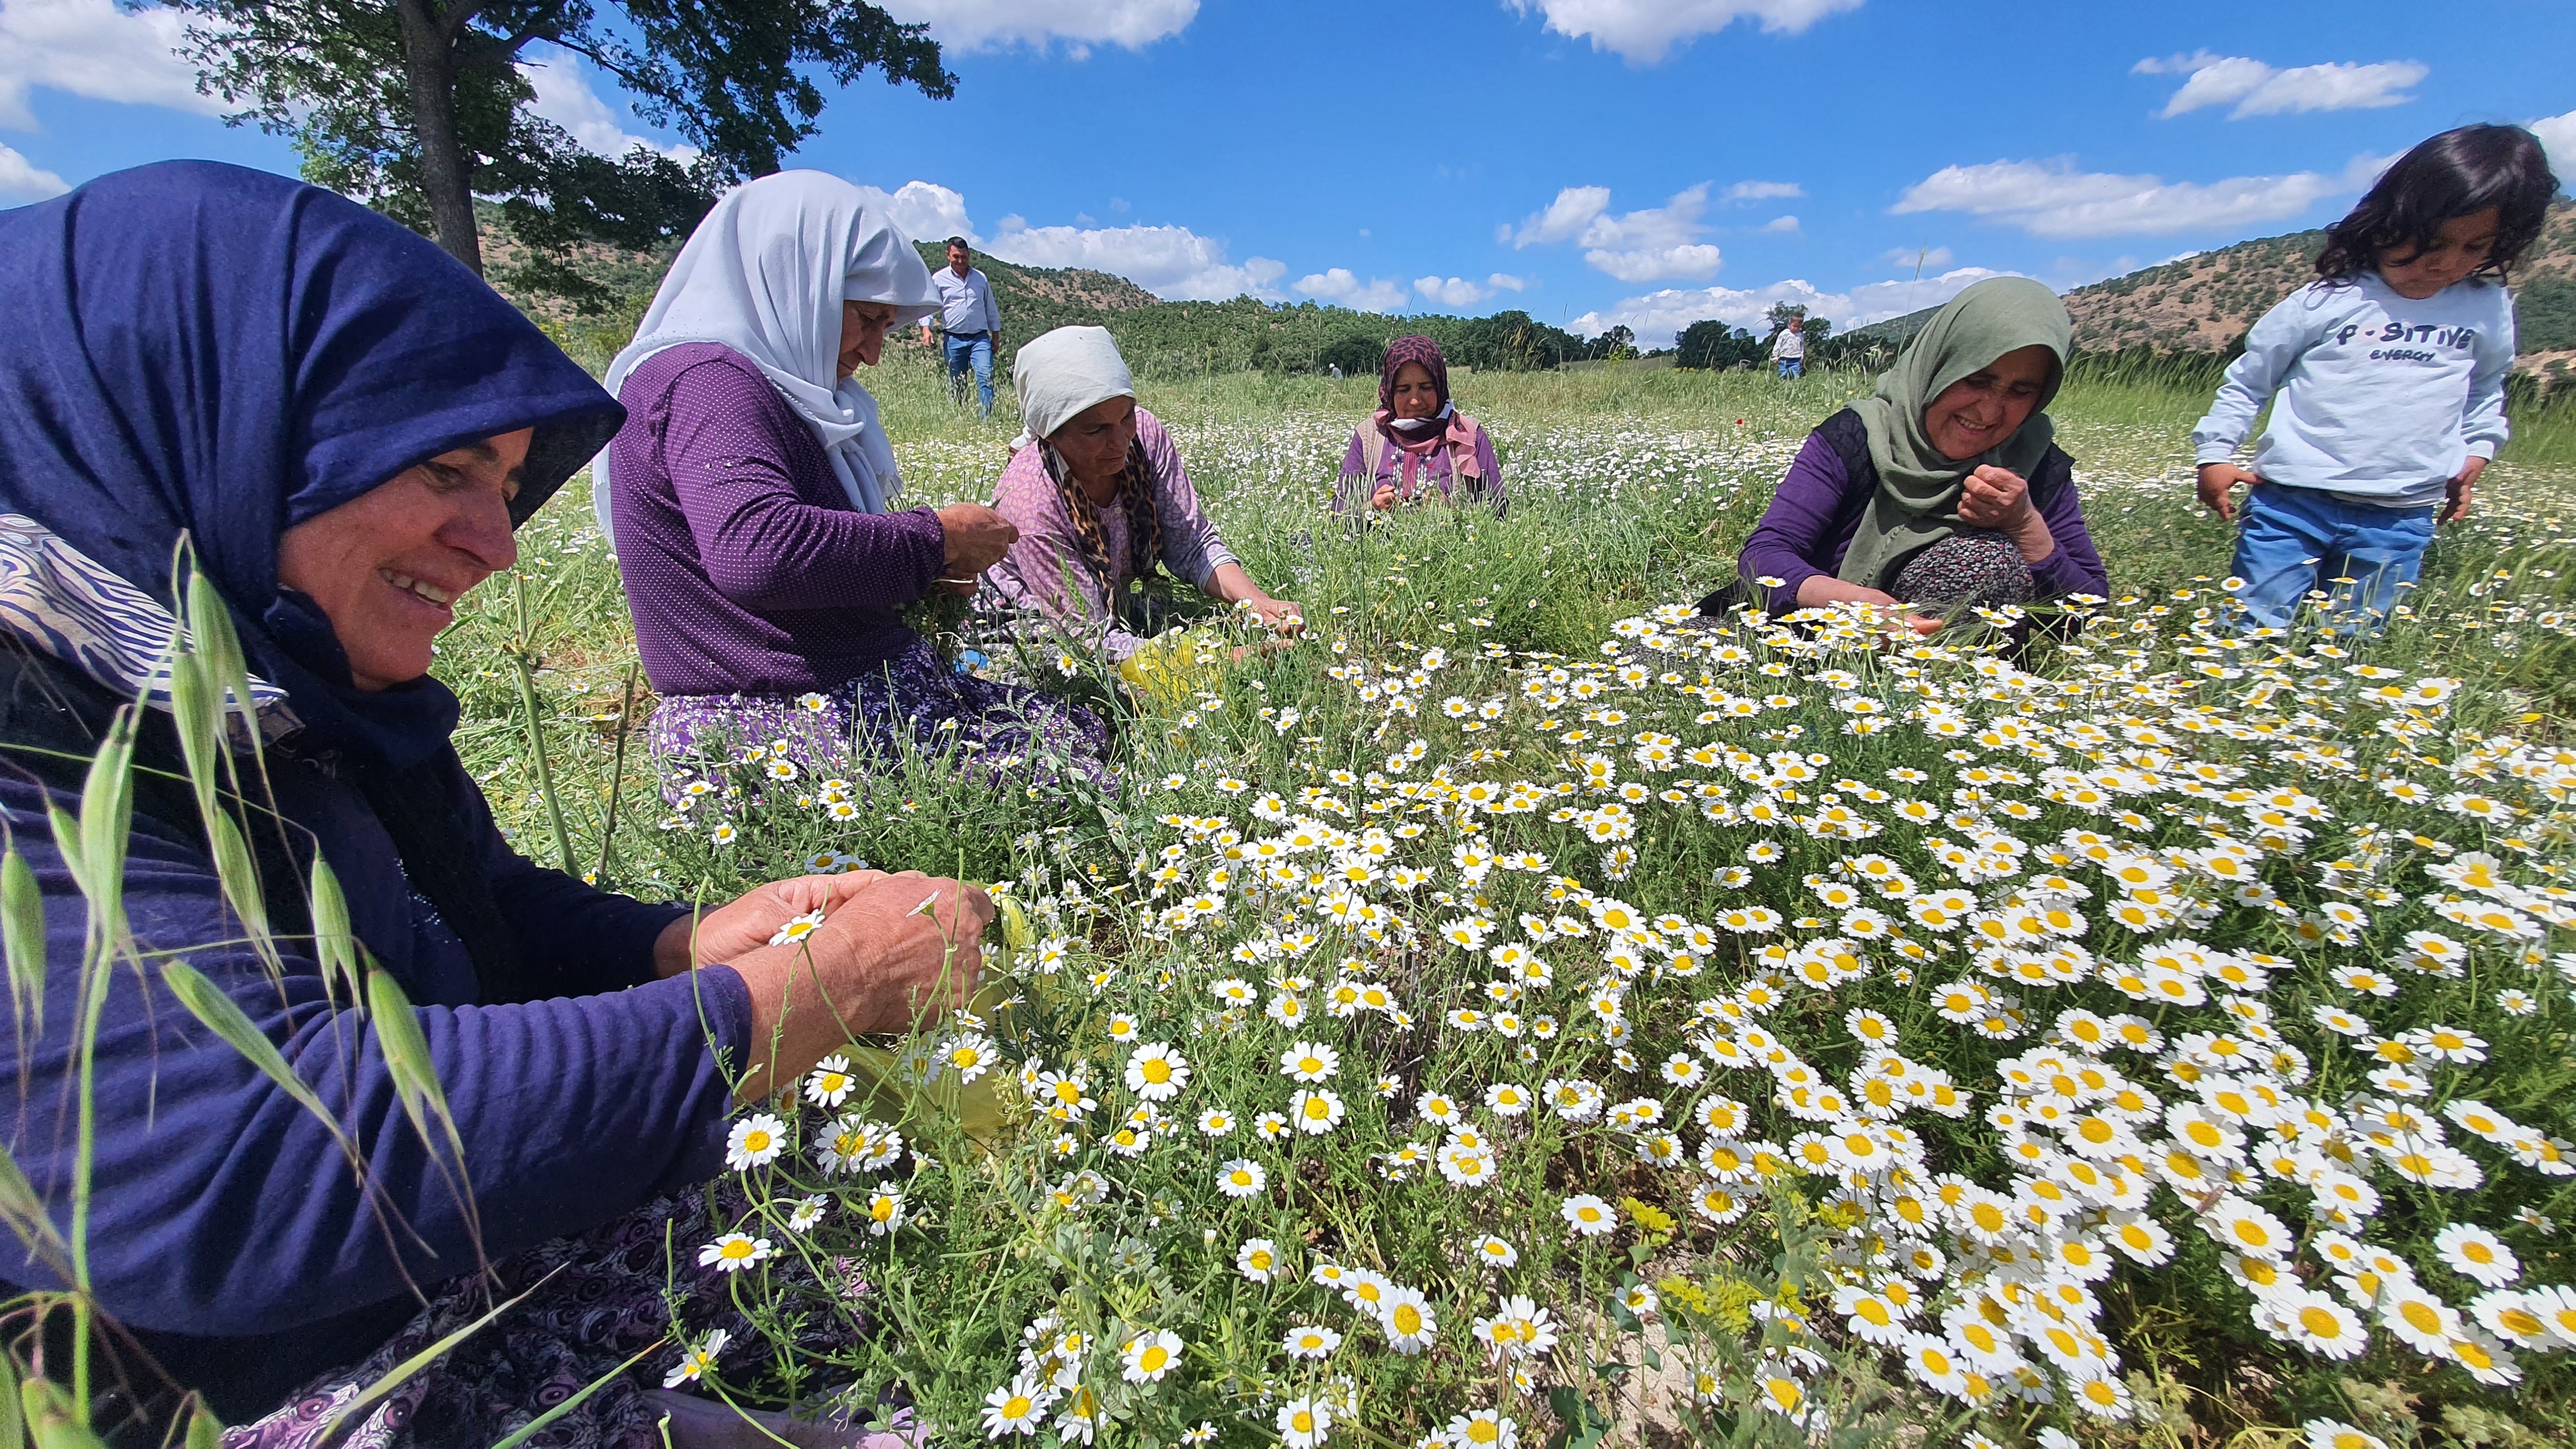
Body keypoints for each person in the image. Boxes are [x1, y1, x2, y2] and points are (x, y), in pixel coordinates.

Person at [0, 162, 991, 1442]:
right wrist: (818, 989)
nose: (499, 538)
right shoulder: (42, 736)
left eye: (506, 484)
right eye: (447, 471)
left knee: (920, 1225)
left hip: (445, 1266)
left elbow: (474, 907)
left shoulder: (283, 676)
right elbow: (255, 1160)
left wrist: (676, 944)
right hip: (262, 1384)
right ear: (222, 419)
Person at [600, 174, 1109, 784]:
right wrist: (934, 540)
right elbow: (755, 551)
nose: (872, 352)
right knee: (1079, 791)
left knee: (1083, 729)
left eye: (886, 328)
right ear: (800, 285)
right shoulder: (709, 383)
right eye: (867, 320)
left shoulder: (759, 384)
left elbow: (794, 554)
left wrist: (916, 574)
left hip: (845, 690)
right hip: (776, 720)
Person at [2193, 124, 2554, 633]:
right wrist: (2215, 454)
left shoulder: (2486, 308)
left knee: (2355, 637)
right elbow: (2250, 380)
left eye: (2476, 248)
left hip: (2401, 514)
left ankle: (2330, 707)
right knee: (2252, 624)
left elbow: (2485, 389)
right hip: (2294, 501)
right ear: (2388, 220)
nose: (2447, 264)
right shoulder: (2328, 301)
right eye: (2433, 242)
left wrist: (2476, 451)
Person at [1721, 277, 2106, 629]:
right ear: (1938, 366)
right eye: (1976, 380)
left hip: (1961, 686)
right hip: (1814, 639)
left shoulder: (2034, 464)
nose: (1989, 411)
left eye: (2021, 392)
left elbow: (2089, 609)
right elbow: (1765, 556)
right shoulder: (1859, 438)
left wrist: (2024, 525)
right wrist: (1850, 606)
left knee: (1984, 561)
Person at [984, 326, 1302, 662]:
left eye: (1126, 417)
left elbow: (1192, 543)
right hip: (1034, 627)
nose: (1121, 441)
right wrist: (1218, 659)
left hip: (1104, 610)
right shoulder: (1033, 502)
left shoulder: (1145, 436)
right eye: (1095, 430)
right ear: (1050, 436)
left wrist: (1258, 603)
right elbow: (1086, 638)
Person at [1330, 336, 1506, 518]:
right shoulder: (1369, 436)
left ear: (1440, 386)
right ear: (1389, 391)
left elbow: (1498, 511)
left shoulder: (1466, 434)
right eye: (1403, 390)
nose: (1415, 400)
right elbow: (1339, 516)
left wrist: (1451, 512)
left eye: (1426, 387)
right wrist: (1372, 508)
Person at [920, 236, 1002, 418]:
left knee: (985, 378)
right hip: (954, 339)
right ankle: (960, 419)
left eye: (964, 257)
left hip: (980, 339)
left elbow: (991, 308)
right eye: (956, 256)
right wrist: (927, 329)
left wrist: (995, 335)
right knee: (957, 382)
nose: (960, 261)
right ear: (948, 255)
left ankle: (986, 422)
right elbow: (929, 307)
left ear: (969, 256)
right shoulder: (939, 279)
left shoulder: (981, 279)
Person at [1770, 315, 1806, 379]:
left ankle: (1793, 387)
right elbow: (1778, 345)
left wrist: (1802, 357)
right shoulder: (1784, 334)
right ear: (1790, 324)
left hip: (1796, 359)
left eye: (1798, 327)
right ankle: (1782, 386)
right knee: (1783, 375)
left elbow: (1801, 347)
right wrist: (1775, 356)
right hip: (1784, 359)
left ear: (1801, 326)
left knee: (1795, 376)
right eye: (1794, 326)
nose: (1795, 328)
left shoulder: (1800, 336)